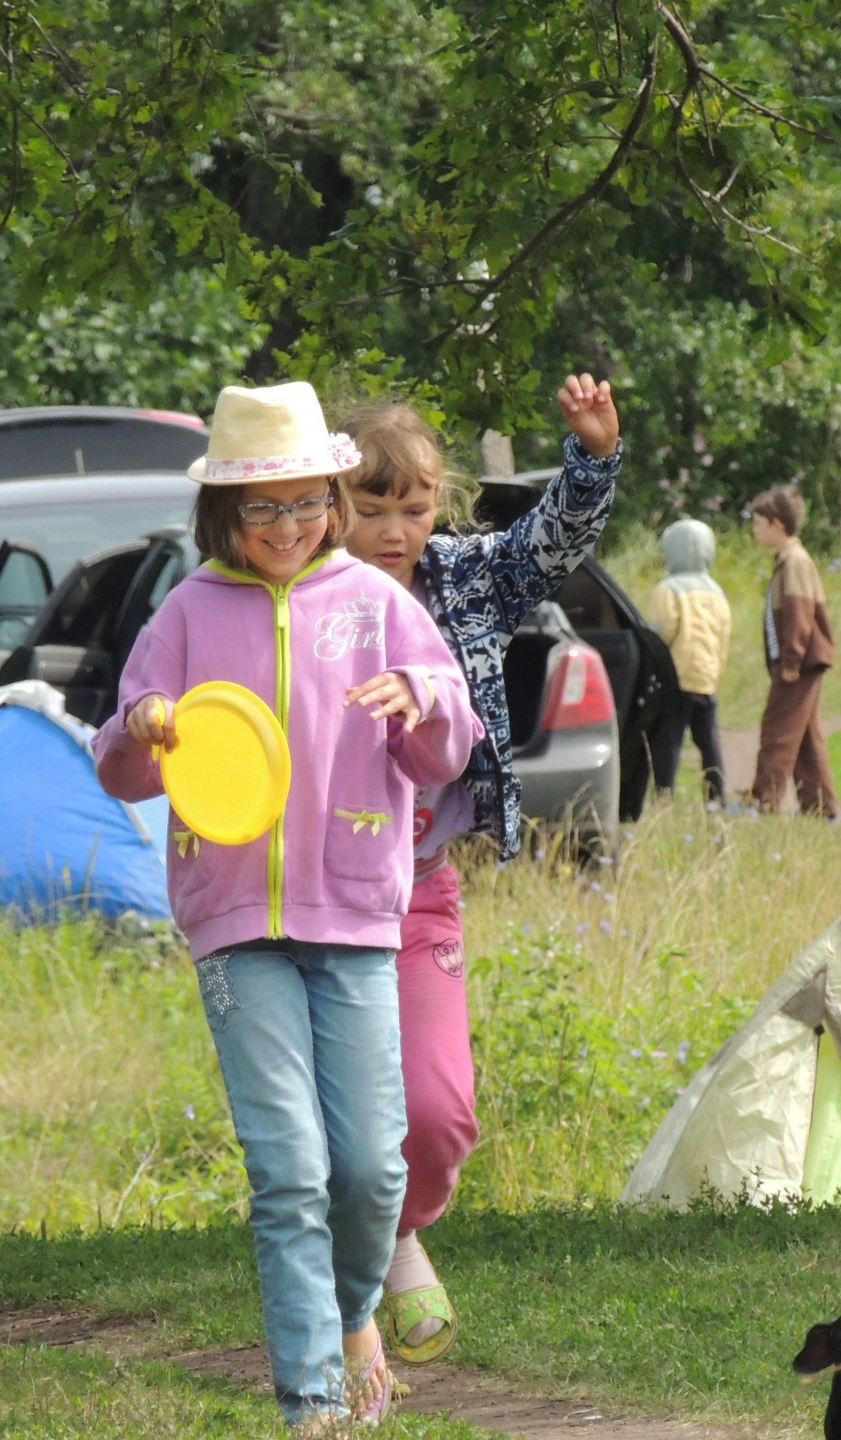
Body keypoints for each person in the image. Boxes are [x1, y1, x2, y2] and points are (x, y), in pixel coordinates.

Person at [93, 381, 480, 1432]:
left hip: (355, 917)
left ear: (332, 499)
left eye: (305, 502)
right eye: (261, 506)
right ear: (223, 509)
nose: (286, 525)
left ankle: (355, 1316)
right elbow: (118, 767)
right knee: (289, 1169)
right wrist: (143, 725)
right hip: (233, 926)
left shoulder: (377, 604)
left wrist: (420, 699)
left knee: (369, 1170)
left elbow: (450, 746)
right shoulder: (186, 612)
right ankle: (310, 1399)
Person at [337, 379, 620, 1367]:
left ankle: (398, 1228)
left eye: (414, 508)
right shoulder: (302, 598)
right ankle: (359, 1279)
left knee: (438, 1115)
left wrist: (592, 458)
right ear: (331, 503)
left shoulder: (461, 579)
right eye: (372, 508)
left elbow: (550, 546)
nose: (394, 530)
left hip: (420, 888)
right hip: (319, 897)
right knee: (336, 1117)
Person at [742, 483, 837, 817]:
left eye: (759, 523)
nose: (755, 530)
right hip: (801, 663)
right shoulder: (787, 560)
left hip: (799, 664)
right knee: (806, 737)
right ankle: (820, 807)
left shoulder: (795, 562)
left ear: (778, 524)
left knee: (778, 732)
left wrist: (790, 662)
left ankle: (763, 800)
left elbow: (799, 616)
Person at [645, 517, 732, 806]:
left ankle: (663, 797)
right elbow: (723, 637)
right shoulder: (717, 592)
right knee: (709, 742)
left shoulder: (668, 589)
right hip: (706, 679)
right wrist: (715, 672)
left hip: (676, 681)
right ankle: (716, 800)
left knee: (669, 740)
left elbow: (659, 636)